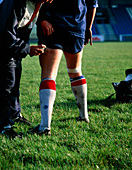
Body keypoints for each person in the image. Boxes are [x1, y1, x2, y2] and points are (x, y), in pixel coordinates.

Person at [0, 0, 53, 138]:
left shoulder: (35, 1)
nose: (48, 1)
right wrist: (27, 49)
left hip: (12, 42)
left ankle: (15, 115)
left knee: (14, 80)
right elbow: (4, 35)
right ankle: (5, 126)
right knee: (6, 85)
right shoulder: (12, 3)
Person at [30, 0, 98, 135]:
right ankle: (84, 115)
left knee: (48, 75)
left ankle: (45, 126)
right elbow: (92, 4)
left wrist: (42, 19)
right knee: (75, 71)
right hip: (76, 27)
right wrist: (88, 28)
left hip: (52, 25)